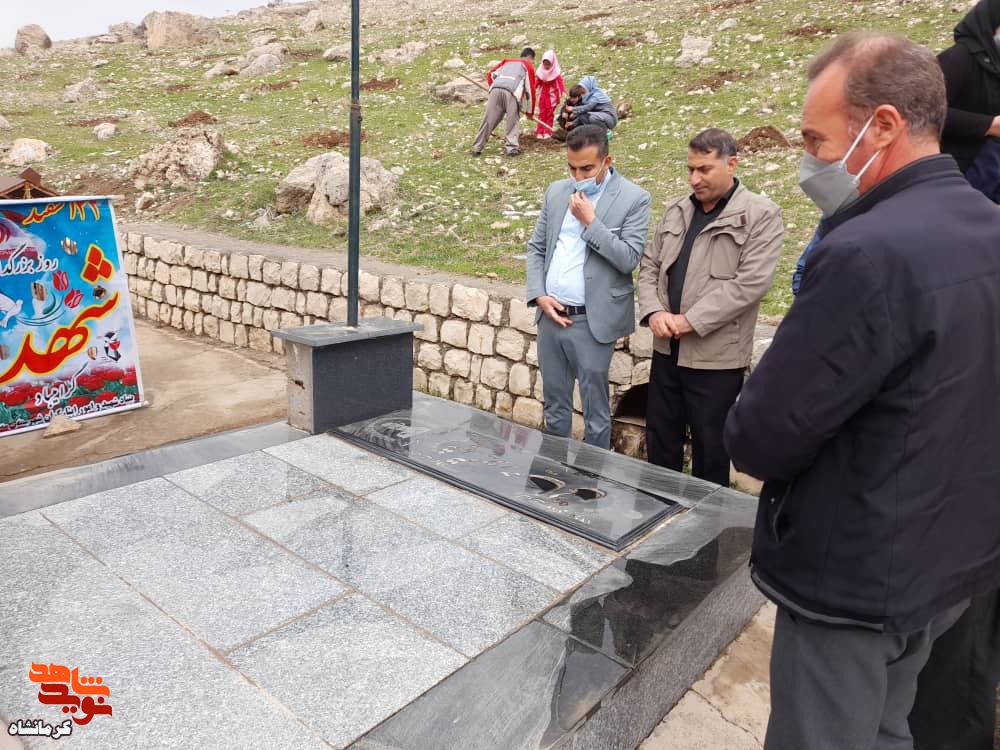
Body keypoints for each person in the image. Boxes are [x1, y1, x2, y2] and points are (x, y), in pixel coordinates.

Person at [723, 32, 1000, 749]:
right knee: (885, 730)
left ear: (881, 126)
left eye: (816, 139)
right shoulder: (988, 227)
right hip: (946, 566)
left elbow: (762, 435)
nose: (808, 160)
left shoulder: (865, 252)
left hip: (853, 577)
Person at [636, 128, 783, 487]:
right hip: (666, 349)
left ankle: (704, 522)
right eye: (690, 169)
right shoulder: (677, 210)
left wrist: (690, 321)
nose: (695, 179)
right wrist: (655, 312)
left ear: (732, 164)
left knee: (711, 451)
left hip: (716, 359)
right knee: (661, 443)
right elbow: (650, 265)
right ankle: (657, 511)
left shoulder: (760, 215)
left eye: (704, 169)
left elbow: (749, 284)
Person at [525, 124, 651, 449]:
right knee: (555, 403)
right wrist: (539, 295)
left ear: (607, 161)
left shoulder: (634, 198)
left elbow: (628, 259)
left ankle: (592, 476)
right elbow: (537, 248)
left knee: (595, 409)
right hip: (551, 316)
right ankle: (552, 471)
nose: (578, 176)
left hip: (592, 321)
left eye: (587, 169)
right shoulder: (556, 192)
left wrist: (590, 222)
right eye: (572, 168)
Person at [938, 0, 1000, 201]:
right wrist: (988, 125)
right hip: (958, 172)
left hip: (991, 171)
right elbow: (925, 113)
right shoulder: (958, 58)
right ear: (991, 23)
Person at [471, 47, 536, 157]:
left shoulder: (507, 62)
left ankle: (477, 147)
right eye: (533, 62)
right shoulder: (527, 66)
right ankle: (512, 148)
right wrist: (530, 112)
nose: (533, 64)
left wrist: (494, 87)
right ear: (530, 58)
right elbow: (530, 91)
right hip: (512, 93)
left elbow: (491, 73)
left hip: (495, 90)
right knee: (512, 121)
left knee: (488, 120)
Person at [535, 50, 566, 140]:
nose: (547, 67)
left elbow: (560, 82)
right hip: (543, 97)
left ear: (552, 63)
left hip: (552, 97)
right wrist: (533, 89)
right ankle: (540, 132)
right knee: (542, 114)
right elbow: (537, 82)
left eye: (548, 64)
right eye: (545, 64)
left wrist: (563, 91)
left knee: (549, 114)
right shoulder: (541, 71)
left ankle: (548, 131)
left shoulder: (555, 72)